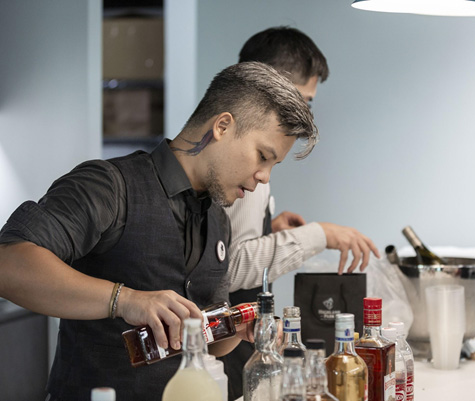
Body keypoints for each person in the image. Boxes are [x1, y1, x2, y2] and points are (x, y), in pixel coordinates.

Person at [0, 61, 317, 401]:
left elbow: (209, 343)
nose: (264, 177)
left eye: (272, 165)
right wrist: (125, 300)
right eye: (262, 156)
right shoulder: (109, 186)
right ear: (223, 126)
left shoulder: (219, 220)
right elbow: (9, 264)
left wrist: (236, 329)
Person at [220, 27, 380, 401]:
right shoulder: (241, 167)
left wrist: (271, 229)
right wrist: (320, 235)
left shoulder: (245, 158)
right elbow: (232, 267)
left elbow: (225, 245)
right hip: (232, 361)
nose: (307, 114)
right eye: (304, 101)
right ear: (271, 88)